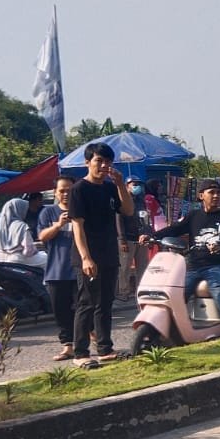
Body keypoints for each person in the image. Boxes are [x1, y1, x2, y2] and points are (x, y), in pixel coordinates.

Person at [68, 142, 135, 367]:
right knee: (86, 303)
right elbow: (77, 226)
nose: (104, 166)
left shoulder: (109, 188)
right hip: (88, 255)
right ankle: (80, 353)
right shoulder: (79, 189)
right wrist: (86, 258)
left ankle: (105, 348)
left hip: (109, 253)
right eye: (99, 161)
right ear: (88, 162)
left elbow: (128, 210)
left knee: (105, 303)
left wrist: (120, 185)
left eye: (108, 162)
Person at [146, 179, 220, 327]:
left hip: (217, 266)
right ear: (201, 196)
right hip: (192, 266)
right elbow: (175, 229)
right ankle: (172, 330)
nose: (216, 196)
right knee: (176, 296)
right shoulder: (193, 215)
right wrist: (152, 236)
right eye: (212, 192)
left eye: (218, 193)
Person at [37, 177, 78, 362]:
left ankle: (90, 339)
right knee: (61, 311)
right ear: (55, 192)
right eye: (62, 190)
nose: (66, 194)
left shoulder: (82, 209)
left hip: (80, 269)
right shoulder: (48, 212)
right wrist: (58, 225)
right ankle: (68, 346)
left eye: (70, 190)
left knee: (84, 308)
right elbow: (42, 236)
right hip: (57, 270)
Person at [0, 197, 48, 268]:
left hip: (0, 257)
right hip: (17, 258)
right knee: (48, 259)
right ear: (20, 210)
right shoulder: (21, 225)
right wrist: (36, 248)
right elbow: (28, 251)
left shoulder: (0, 226)